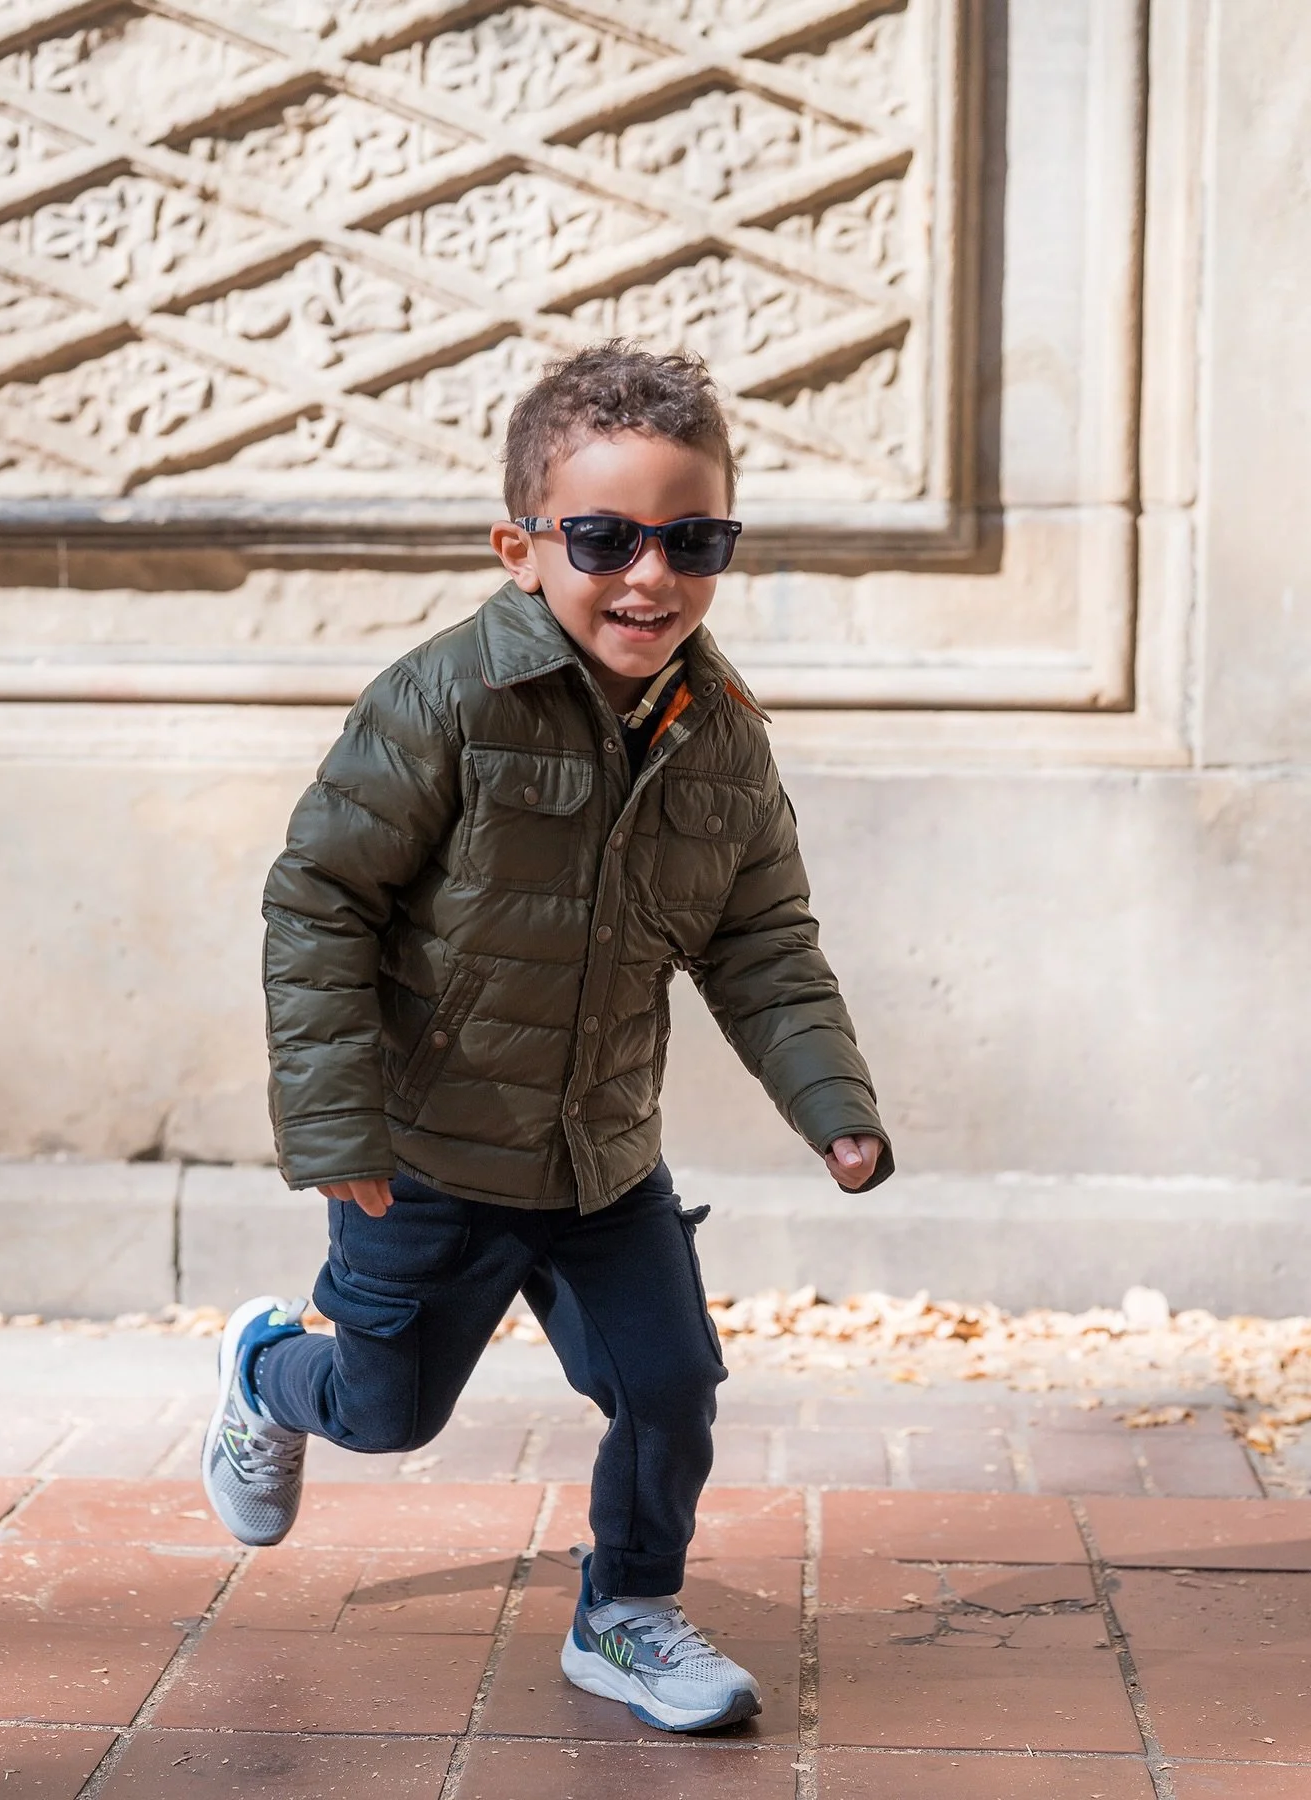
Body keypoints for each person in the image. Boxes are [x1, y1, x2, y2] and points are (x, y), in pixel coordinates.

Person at [202, 339, 891, 1734]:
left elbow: (760, 940)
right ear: (521, 548)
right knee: (388, 1414)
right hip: (427, 1159)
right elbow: (321, 900)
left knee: (671, 1387)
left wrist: (834, 1103)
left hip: (600, 1160)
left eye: (693, 540)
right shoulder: (445, 701)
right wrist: (335, 1124)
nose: (651, 574)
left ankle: (627, 1611)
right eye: (605, 538)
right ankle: (266, 1373)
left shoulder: (721, 738)